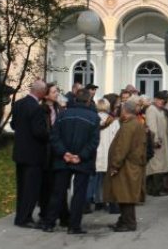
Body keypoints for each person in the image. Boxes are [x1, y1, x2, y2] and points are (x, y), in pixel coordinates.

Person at [40, 89, 100, 234]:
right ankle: (74, 226)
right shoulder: (94, 117)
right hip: (82, 161)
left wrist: (64, 153)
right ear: (88, 101)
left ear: (74, 99)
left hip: (63, 159)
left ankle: (49, 223)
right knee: (79, 194)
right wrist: (80, 156)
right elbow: (94, 141)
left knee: (58, 192)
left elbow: (54, 137)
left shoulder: (62, 115)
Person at [105, 98, 148, 232]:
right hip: (131, 164)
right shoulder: (135, 122)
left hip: (127, 166)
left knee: (125, 195)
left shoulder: (129, 126)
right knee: (125, 194)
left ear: (125, 110)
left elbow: (122, 147)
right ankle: (123, 220)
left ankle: (128, 223)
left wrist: (115, 165)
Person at [10, 79, 49, 228]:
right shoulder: (36, 108)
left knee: (21, 187)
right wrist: (49, 135)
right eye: (44, 91)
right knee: (31, 188)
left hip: (20, 152)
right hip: (34, 154)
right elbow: (38, 132)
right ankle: (24, 218)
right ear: (40, 92)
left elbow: (14, 125)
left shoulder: (19, 104)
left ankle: (20, 215)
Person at [38, 83, 69, 227]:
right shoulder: (41, 109)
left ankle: (63, 215)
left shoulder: (59, 108)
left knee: (59, 185)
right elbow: (44, 130)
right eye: (54, 91)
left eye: (57, 91)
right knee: (47, 186)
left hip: (58, 151)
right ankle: (45, 214)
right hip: (46, 152)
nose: (57, 94)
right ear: (46, 95)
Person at [93, 98, 120, 212]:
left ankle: (97, 201)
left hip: (96, 152)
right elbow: (117, 137)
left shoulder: (93, 119)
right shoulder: (113, 121)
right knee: (109, 180)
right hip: (109, 152)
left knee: (96, 179)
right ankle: (110, 202)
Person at [145, 91, 168, 196]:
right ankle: (155, 189)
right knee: (156, 166)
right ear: (155, 99)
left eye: (163, 100)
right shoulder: (151, 110)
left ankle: (156, 188)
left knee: (159, 166)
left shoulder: (160, 110)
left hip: (162, 141)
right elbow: (152, 127)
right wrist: (155, 140)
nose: (162, 102)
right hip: (157, 143)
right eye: (160, 99)